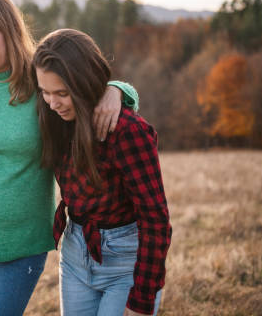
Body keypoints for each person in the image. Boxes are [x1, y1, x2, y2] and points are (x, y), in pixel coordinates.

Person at [0, 0, 139, 316]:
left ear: (9, 29)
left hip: (22, 242)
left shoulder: (40, 80)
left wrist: (117, 91)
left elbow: (86, 91)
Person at [32, 28, 172, 316]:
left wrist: (142, 300)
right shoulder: (55, 119)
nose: (52, 102)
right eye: (45, 92)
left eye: (61, 93)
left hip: (125, 262)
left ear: (84, 84)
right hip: (74, 254)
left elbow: (155, 219)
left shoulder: (127, 131)